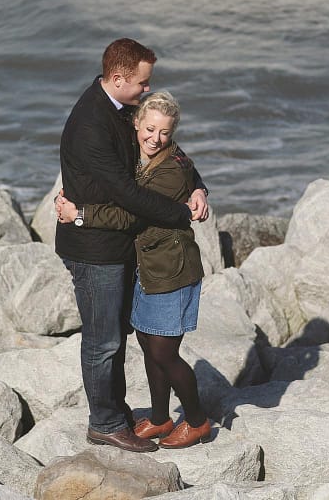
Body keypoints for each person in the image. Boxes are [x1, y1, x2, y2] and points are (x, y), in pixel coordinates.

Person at [56, 38, 209, 453]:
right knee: (103, 342)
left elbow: (170, 156)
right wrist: (180, 213)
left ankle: (120, 414)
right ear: (119, 78)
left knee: (118, 338)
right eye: (142, 83)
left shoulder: (120, 109)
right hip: (93, 247)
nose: (146, 89)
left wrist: (196, 187)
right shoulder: (92, 124)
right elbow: (126, 194)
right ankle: (104, 423)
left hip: (119, 246)